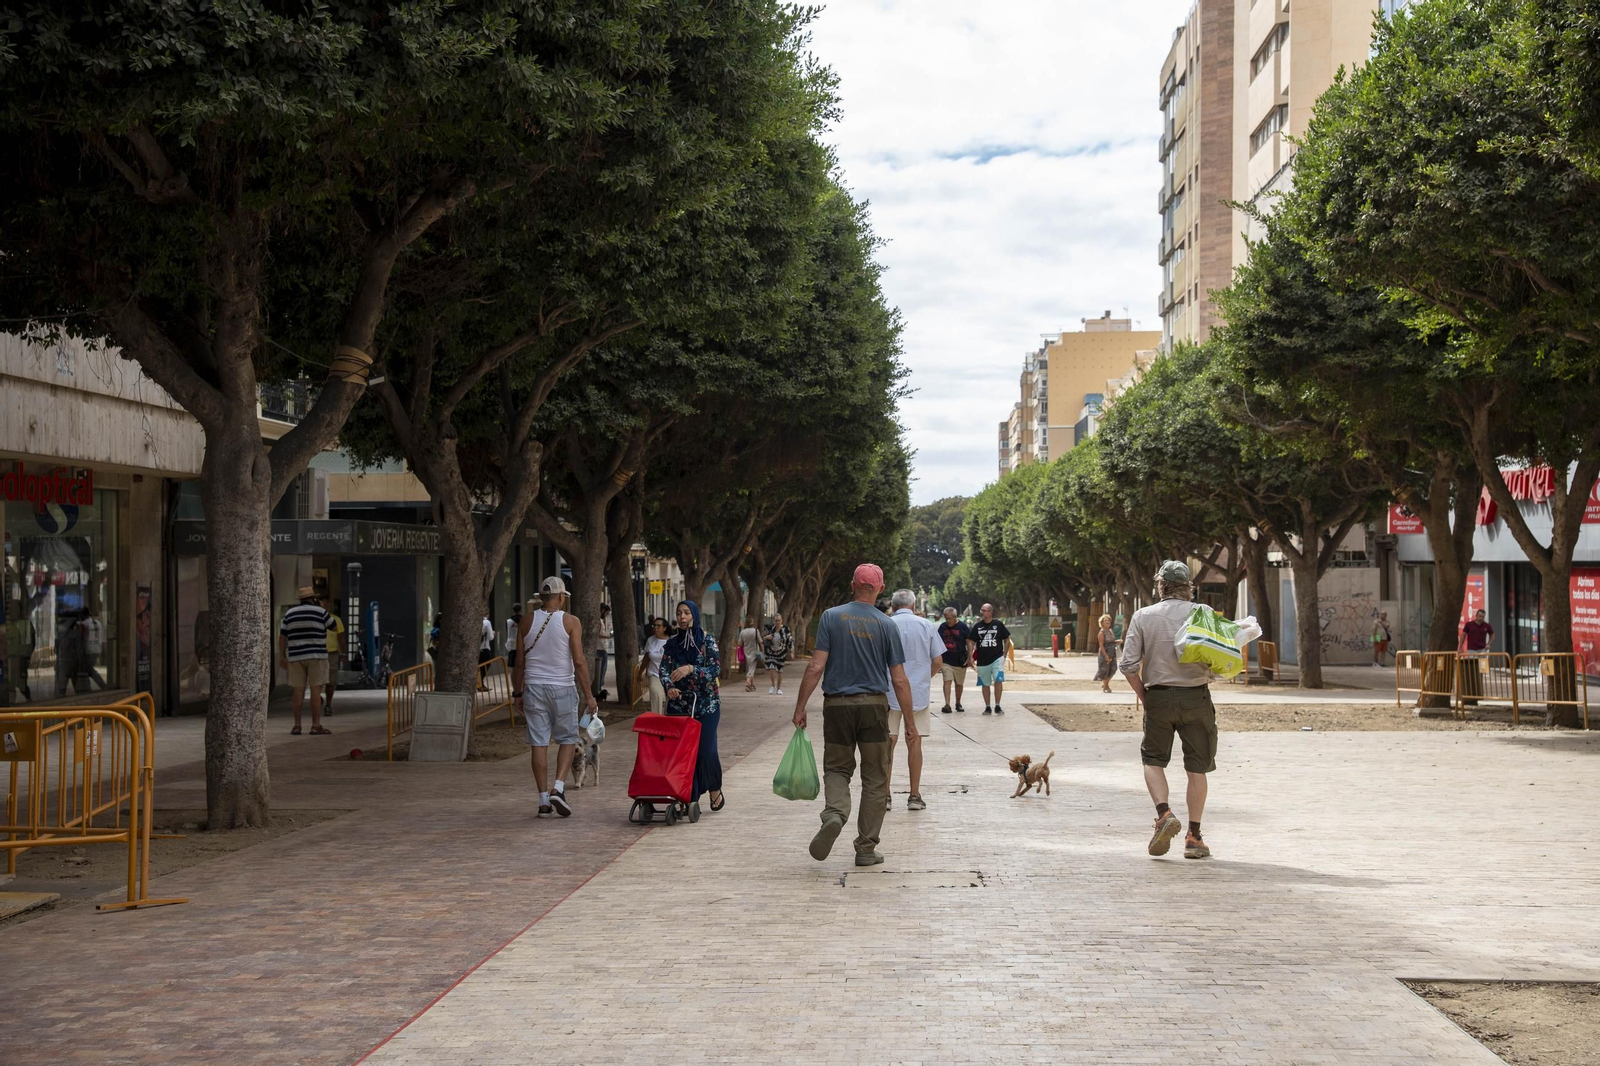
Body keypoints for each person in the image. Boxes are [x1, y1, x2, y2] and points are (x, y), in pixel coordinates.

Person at [791, 563, 914, 867]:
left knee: (836, 768)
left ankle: (834, 814)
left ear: (852, 585)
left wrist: (800, 707)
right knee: (875, 777)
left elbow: (816, 666)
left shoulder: (831, 617)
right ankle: (866, 848)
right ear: (880, 589)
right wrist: (910, 723)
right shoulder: (887, 625)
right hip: (874, 707)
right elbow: (899, 679)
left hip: (837, 707)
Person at [1120, 560, 1215, 861]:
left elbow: (1128, 665)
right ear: (1188, 586)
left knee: (1153, 760)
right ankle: (1194, 837)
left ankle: (1164, 813)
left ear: (1160, 585)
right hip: (1197, 697)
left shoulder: (1143, 616)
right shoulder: (1204, 614)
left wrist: (1144, 695)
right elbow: (1221, 661)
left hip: (1159, 696)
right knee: (1196, 768)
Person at [517, 577, 597, 818]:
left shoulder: (526, 621)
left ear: (541, 597)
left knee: (538, 742)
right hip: (562, 687)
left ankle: (543, 800)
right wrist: (589, 696)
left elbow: (519, 662)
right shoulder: (571, 622)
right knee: (567, 739)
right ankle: (558, 788)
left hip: (533, 687)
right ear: (562, 596)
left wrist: (517, 693)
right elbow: (579, 661)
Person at [661, 600, 725, 812]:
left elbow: (714, 671)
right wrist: (669, 686)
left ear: (694, 616)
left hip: (706, 705)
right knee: (682, 753)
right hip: (680, 705)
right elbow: (663, 670)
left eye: (686, 612)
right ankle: (687, 795)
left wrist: (691, 669)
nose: (682, 617)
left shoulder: (707, 641)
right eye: (679, 613)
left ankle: (714, 787)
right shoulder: (672, 644)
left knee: (705, 751)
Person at [885, 589, 943, 812]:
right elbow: (937, 660)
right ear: (912, 605)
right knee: (915, 741)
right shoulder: (926, 625)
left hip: (889, 693)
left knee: (888, 743)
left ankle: (885, 796)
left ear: (893, 606)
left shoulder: (886, 624)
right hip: (918, 694)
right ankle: (914, 796)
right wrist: (922, 679)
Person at [279, 586, 335, 736]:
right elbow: (334, 627)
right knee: (316, 690)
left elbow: (282, 636)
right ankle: (315, 725)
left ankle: (297, 726)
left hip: (296, 656)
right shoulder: (320, 612)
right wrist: (323, 609)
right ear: (313, 598)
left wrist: (282, 656)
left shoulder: (289, 614)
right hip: (317, 656)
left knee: (298, 692)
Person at [967, 603, 1012, 714]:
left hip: (997, 658)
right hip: (982, 660)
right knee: (985, 683)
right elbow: (971, 641)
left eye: (985, 610)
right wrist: (970, 656)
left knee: (998, 680)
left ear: (991, 612)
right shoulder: (977, 626)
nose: (982, 612)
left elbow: (1007, 639)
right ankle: (987, 706)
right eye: (981, 610)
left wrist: (1004, 654)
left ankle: (997, 705)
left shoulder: (998, 624)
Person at [936, 606, 971, 714]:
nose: (947, 621)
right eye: (946, 618)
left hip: (960, 661)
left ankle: (958, 703)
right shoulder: (942, 627)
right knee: (947, 681)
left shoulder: (963, 627)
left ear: (955, 617)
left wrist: (970, 657)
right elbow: (937, 642)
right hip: (946, 660)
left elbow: (969, 642)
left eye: (949, 618)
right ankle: (947, 704)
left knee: (959, 683)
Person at [1459, 608, 1494, 705]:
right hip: (1472, 650)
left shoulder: (1486, 626)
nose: (1481, 618)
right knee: (1471, 670)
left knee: (1481, 671)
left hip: (1482, 650)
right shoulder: (1469, 625)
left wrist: (1488, 644)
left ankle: (1479, 690)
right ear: (1476, 616)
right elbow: (1463, 635)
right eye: (1479, 616)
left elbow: (1492, 634)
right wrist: (1460, 647)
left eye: (1482, 617)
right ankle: (1472, 690)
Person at [640, 617, 669, 713]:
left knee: (670, 698)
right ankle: (657, 719)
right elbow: (646, 658)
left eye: (659, 626)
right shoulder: (650, 640)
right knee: (655, 694)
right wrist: (640, 672)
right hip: (654, 674)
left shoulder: (671, 641)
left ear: (664, 628)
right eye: (654, 625)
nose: (656, 628)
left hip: (669, 675)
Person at [322, 596, 345, 715]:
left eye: (329, 605)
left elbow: (341, 638)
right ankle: (317, 699)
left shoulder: (336, 620)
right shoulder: (317, 619)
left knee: (331, 681)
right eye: (325, 605)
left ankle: (328, 704)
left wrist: (344, 653)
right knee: (317, 682)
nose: (327, 607)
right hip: (319, 654)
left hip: (332, 654)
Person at [764, 613, 794, 695]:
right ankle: (772, 686)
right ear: (773, 621)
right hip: (771, 652)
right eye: (776, 621)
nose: (777, 622)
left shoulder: (785, 629)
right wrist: (767, 637)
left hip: (781, 653)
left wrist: (791, 651)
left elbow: (790, 640)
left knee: (780, 670)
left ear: (781, 621)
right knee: (772, 667)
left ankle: (779, 688)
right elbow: (763, 638)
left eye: (779, 620)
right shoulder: (770, 629)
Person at [593, 602, 613, 701]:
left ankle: (599, 687)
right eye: (606, 613)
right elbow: (598, 634)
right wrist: (608, 636)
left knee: (601, 670)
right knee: (601, 670)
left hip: (601, 647)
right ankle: (598, 688)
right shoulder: (598, 621)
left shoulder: (600, 621)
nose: (606, 616)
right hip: (600, 648)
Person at [1094, 613, 1118, 693]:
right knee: (1105, 670)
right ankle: (1106, 686)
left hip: (1112, 652)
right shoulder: (1101, 632)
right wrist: (1105, 655)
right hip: (1105, 653)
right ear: (1102, 623)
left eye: (1108, 620)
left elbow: (1112, 641)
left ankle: (1105, 684)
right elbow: (1101, 645)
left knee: (1113, 668)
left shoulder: (1110, 631)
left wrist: (1117, 642)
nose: (1107, 622)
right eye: (1105, 621)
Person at [739, 616, 763, 692]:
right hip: (755, 652)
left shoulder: (742, 632)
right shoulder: (756, 631)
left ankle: (752, 685)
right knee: (752, 668)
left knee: (750, 667)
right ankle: (748, 683)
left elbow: (740, 643)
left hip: (746, 651)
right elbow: (760, 642)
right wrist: (762, 651)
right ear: (752, 623)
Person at [503, 601, 523, 672]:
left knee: (513, 668)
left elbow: (507, 632)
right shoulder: (524, 620)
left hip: (511, 646)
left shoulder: (508, 621)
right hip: (522, 646)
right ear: (521, 610)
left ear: (513, 611)